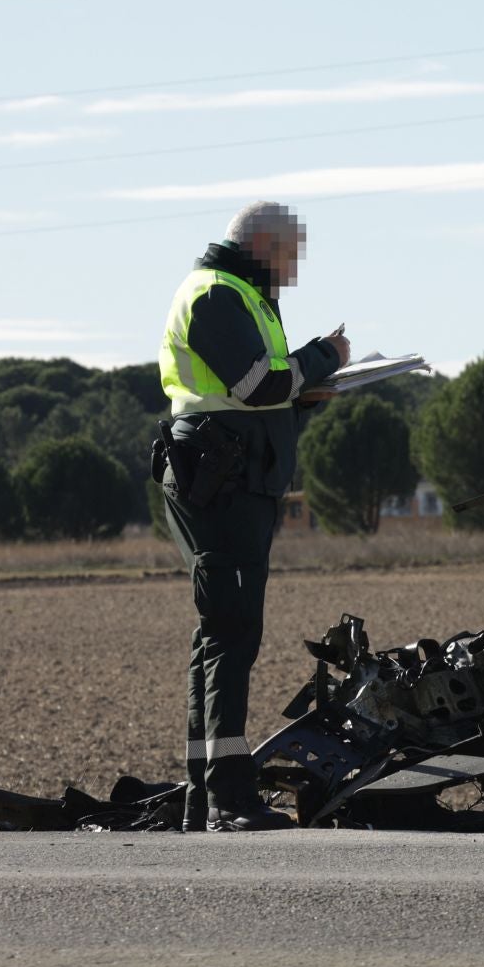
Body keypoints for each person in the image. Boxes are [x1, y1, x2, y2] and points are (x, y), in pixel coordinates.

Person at [155, 201, 349, 832]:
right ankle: (228, 802)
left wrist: (307, 395)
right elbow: (258, 386)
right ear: (263, 244)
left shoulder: (244, 294)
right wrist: (323, 357)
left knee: (221, 635)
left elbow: (270, 398)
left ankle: (203, 797)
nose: (294, 268)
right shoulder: (216, 294)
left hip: (236, 479)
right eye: (291, 253)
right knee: (232, 635)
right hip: (222, 484)